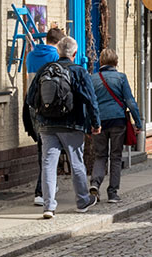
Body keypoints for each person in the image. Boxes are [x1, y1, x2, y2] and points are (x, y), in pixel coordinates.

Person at [26, 35, 100, 219]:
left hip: (47, 125)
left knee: (48, 165)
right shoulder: (79, 71)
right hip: (73, 125)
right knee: (76, 163)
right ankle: (82, 201)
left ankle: (49, 206)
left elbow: (30, 98)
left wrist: (43, 114)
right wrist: (95, 123)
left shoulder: (45, 69)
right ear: (75, 53)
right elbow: (91, 99)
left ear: (58, 52)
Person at [90, 49, 143, 204]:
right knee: (116, 156)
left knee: (100, 155)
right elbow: (130, 101)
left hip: (99, 122)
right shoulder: (121, 78)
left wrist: (90, 123)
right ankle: (112, 192)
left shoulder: (93, 79)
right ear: (116, 62)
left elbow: (89, 103)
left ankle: (95, 184)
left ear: (101, 62)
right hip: (118, 121)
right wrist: (138, 123)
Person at [23, 26, 65, 206]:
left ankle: (48, 185)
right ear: (59, 42)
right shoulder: (55, 57)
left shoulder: (31, 55)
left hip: (31, 104)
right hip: (48, 105)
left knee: (43, 146)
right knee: (49, 148)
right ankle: (41, 191)